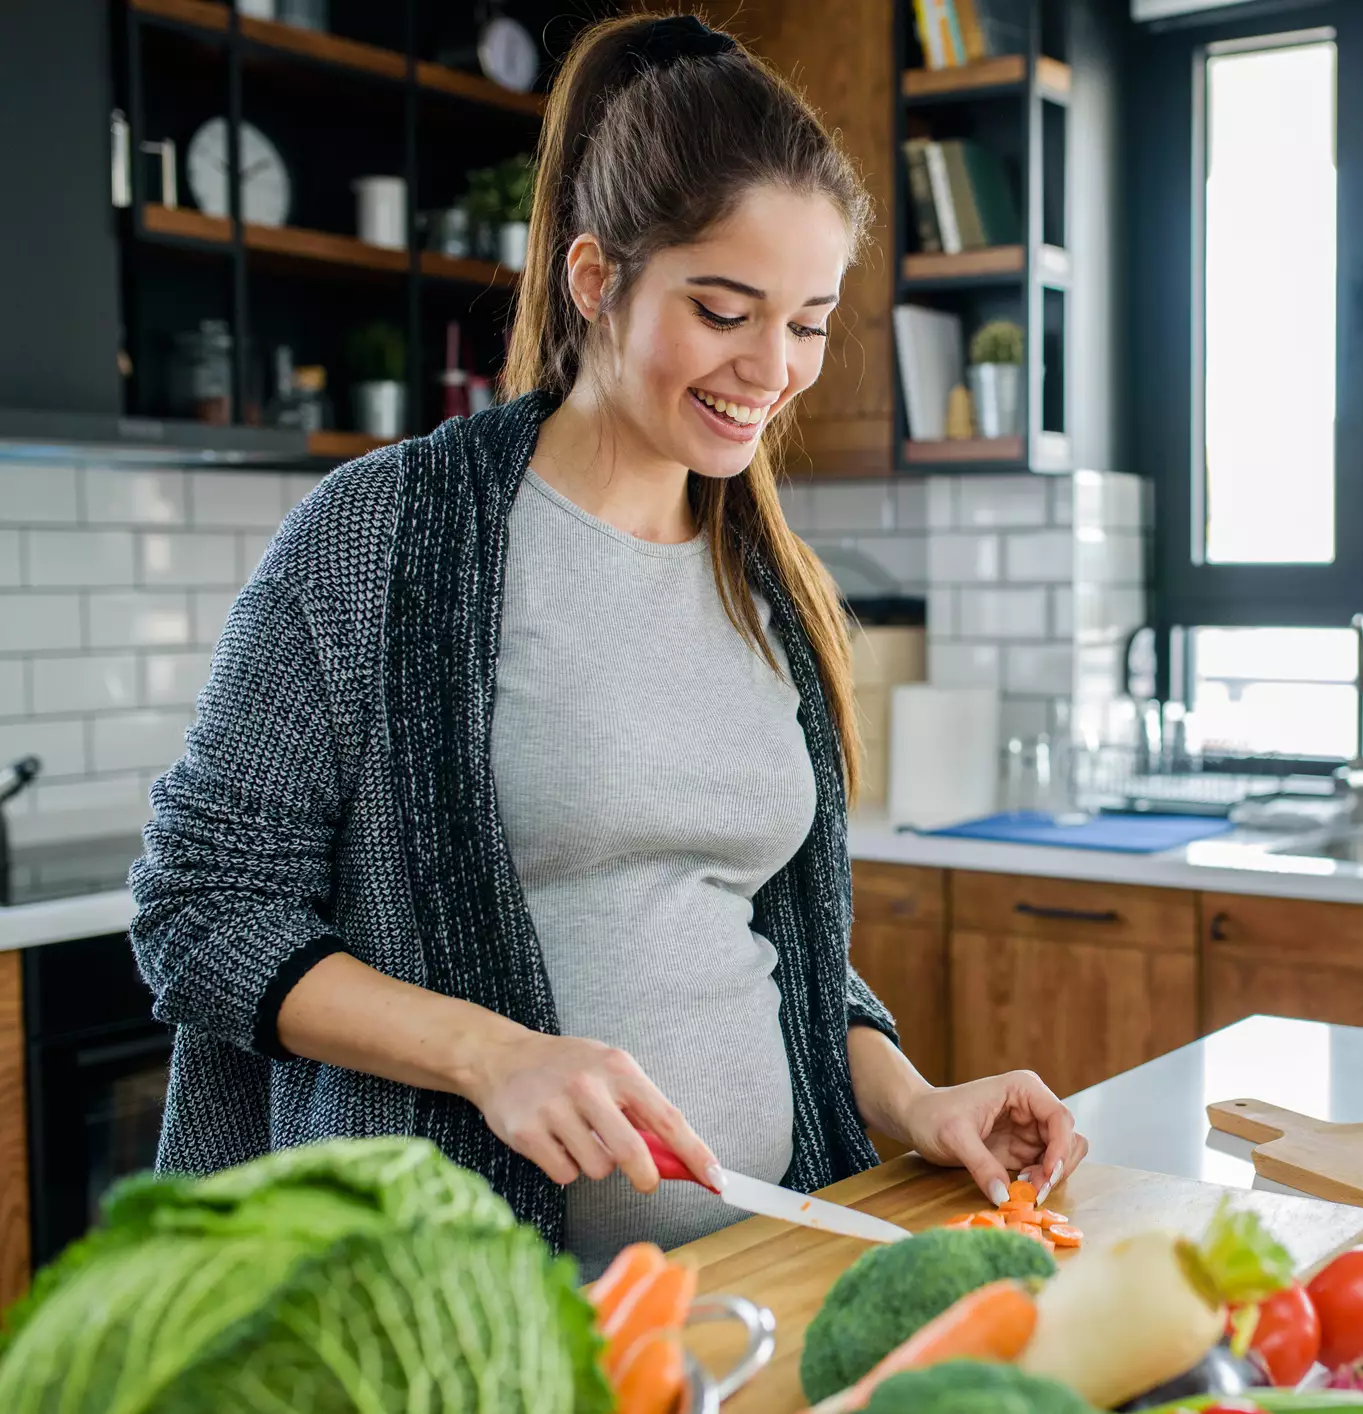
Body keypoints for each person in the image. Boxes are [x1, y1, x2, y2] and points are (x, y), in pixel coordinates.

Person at [130, 11, 1086, 1276]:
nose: (772, 367)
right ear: (595, 280)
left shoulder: (771, 586)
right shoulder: (382, 540)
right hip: (458, 1303)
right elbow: (199, 911)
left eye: (806, 321)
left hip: (752, 1280)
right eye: (723, 309)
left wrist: (915, 1102)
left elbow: (771, 953)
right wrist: (495, 1054)